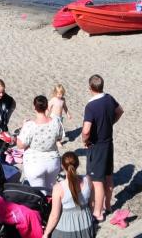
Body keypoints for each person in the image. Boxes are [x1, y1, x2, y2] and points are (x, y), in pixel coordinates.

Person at [81, 74, 123, 221]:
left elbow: (86, 130)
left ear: (90, 88)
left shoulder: (91, 106)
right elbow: (120, 111)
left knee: (97, 181)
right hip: (108, 143)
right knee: (109, 176)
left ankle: (98, 212)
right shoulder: (109, 98)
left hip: (97, 146)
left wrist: (84, 140)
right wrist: (110, 123)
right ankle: (108, 205)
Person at [16, 95, 65, 189]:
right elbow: (59, 138)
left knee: (39, 195)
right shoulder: (56, 122)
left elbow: (20, 145)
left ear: (35, 107)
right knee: (50, 193)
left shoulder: (30, 125)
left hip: (34, 162)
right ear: (47, 106)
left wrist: (22, 128)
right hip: (52, 162)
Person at [42, 152, 94, 238]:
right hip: (86, 223)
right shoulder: (87, 180)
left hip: (66, 228)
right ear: (78, 164)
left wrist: (46, 233)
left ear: (62, 166)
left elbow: (55, 216)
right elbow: (92, 204)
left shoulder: (58, 188)